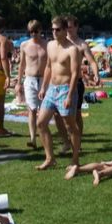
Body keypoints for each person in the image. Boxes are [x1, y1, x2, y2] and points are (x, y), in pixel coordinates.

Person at [36, 16, 82, 175]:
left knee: (71, 127)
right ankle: (50, 158)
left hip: (65, 89)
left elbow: (76, 73)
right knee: (41, 123)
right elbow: (48, 66)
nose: (54, 32)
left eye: (57, 29)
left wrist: (70, 95)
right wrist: (43, 87)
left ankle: (75, 160)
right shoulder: (50, 45)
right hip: (51, 89)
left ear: (65, 30)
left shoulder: (72, 49)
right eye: (52, 29)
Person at [65, 15, 100, 137]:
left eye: (70, 27)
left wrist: (96, 74)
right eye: (66, 27)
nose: (68, 29)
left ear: (76, 27)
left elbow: (92, 61)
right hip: (62, 82)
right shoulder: (61, 43)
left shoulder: (82, 45)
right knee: (61, 114)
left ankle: (77, 139)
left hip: (77, 83)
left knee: (77, 113)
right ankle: (68, 139)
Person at [15, 20, 47, 149]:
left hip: (44, 79)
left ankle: (44, 134)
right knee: (32, 109)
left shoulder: (47, 45)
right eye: (31, 32)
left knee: (45, 110)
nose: (33, 34)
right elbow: (21, 64)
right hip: (30, 79)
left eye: (35, 31)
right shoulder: (24, 45)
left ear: (40, 30)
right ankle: (33, 138)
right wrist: (18, 83)